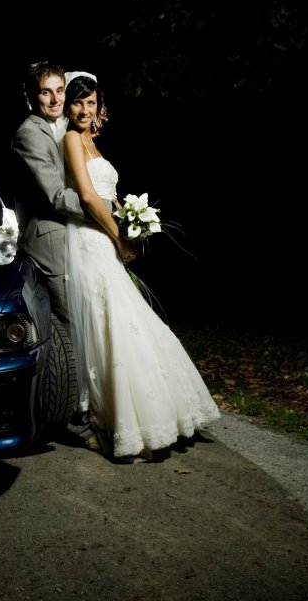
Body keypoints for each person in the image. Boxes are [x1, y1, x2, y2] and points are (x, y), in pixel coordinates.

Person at [61, 72, 221, 462]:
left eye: (91, 102)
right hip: (89, 240)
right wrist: (118, 236)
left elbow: (108, 195)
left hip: (107, 235)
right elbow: (87, 197)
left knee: (128, 320)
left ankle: (163, 413)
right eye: (78, 102)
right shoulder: (71, 139)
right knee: (114, 322)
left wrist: (132, 221)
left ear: (99, 106)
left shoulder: (92, 141)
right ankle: (124, 421)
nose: (85, 110)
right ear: (68, 106)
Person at [10, 61, 137, 449]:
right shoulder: (29, 134)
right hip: (49, 238)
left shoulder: (67, 123)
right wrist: (107, 211)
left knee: (98, 320)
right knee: (75, 325)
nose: (54, 99)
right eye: (45, 92)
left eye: (59, 91)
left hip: (80, 236)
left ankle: (106, 407)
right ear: (31, 96)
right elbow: (55, 195)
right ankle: (79, 420)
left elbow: (86, 147)